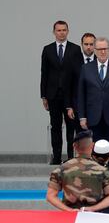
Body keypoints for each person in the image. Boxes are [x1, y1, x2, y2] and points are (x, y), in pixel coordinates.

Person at [75, 37, 109, 170]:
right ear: (95, 50)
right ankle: (96, 180)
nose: (102, 52)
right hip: (93, 117)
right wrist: (82, 116)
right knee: (95, 151)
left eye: (105, 49)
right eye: (99, 49)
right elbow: (81, 94)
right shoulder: (86, 68)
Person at [41, 20, 83, 164]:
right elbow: (44, 73)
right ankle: (57, 157)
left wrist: (77, 96)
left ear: (68, 31)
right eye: (58, 30)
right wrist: (43, 96)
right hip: (52, 94)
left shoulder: (75, 49)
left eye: (64, 30)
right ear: (54, 32)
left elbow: (78, 75)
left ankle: (71, 157)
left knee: (71, 128)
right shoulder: (47, 49)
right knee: (56, 127)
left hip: (70, 95)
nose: (61, 33)